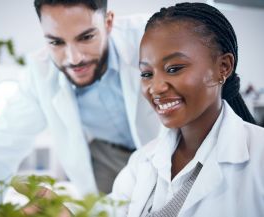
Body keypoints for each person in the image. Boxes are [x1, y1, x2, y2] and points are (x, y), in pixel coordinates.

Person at [0, 0, 161, 196]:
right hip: (107, 155)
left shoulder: (153, 36)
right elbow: (0, 146)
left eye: (86, 37)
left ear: (108, 23)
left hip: (165, 144)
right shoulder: (40, 71)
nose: (74, 58)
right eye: (56, 42)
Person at [108, 2, 264, 217]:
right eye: (146, 74)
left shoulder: (259, 157)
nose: (156, 87)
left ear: (223, 67)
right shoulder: (142, 161)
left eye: (174, 69)